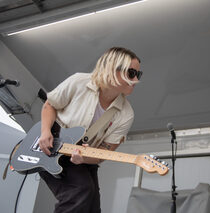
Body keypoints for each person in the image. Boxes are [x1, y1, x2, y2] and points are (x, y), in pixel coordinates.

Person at [38, 47, 142, 213]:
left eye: (138, 74)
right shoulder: (79, 81)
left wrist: (84, 159)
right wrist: (45, 132)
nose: (136, 79)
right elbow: (50, 104)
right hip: (51, 144)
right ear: (112, 69)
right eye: (131, 73)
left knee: (92, 208)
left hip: (83, 156)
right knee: (80, 190)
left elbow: (104, 152)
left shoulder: (126, 113)